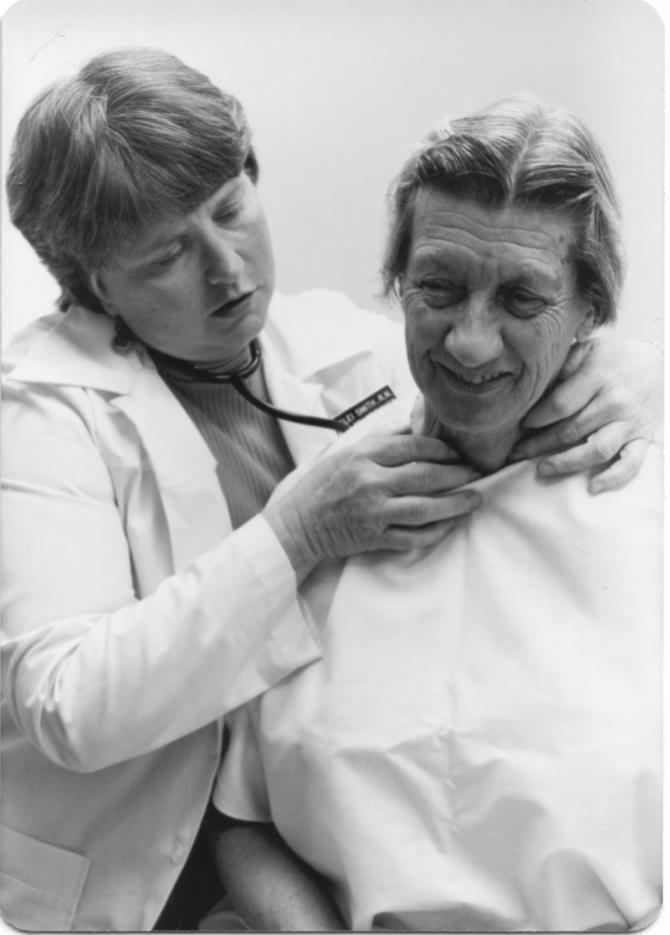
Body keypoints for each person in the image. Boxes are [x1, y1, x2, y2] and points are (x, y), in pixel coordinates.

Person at [0, 49, 659, 932]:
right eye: (167, 256)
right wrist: (298, 531)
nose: (229, 269)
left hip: (307, 831)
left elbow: (485, 351)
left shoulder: (337, 343)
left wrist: (631, 369)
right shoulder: (40, 412)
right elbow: (70, 705)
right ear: (91, 283)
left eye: (232, 209)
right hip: (144, 848)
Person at [211, 95, 662, 932]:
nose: (469, 342)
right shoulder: (329, 506)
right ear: (396, 286)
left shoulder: (648, 509)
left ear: (592, 312)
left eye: (524, 300)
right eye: (439, 288)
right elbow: (241, 820)